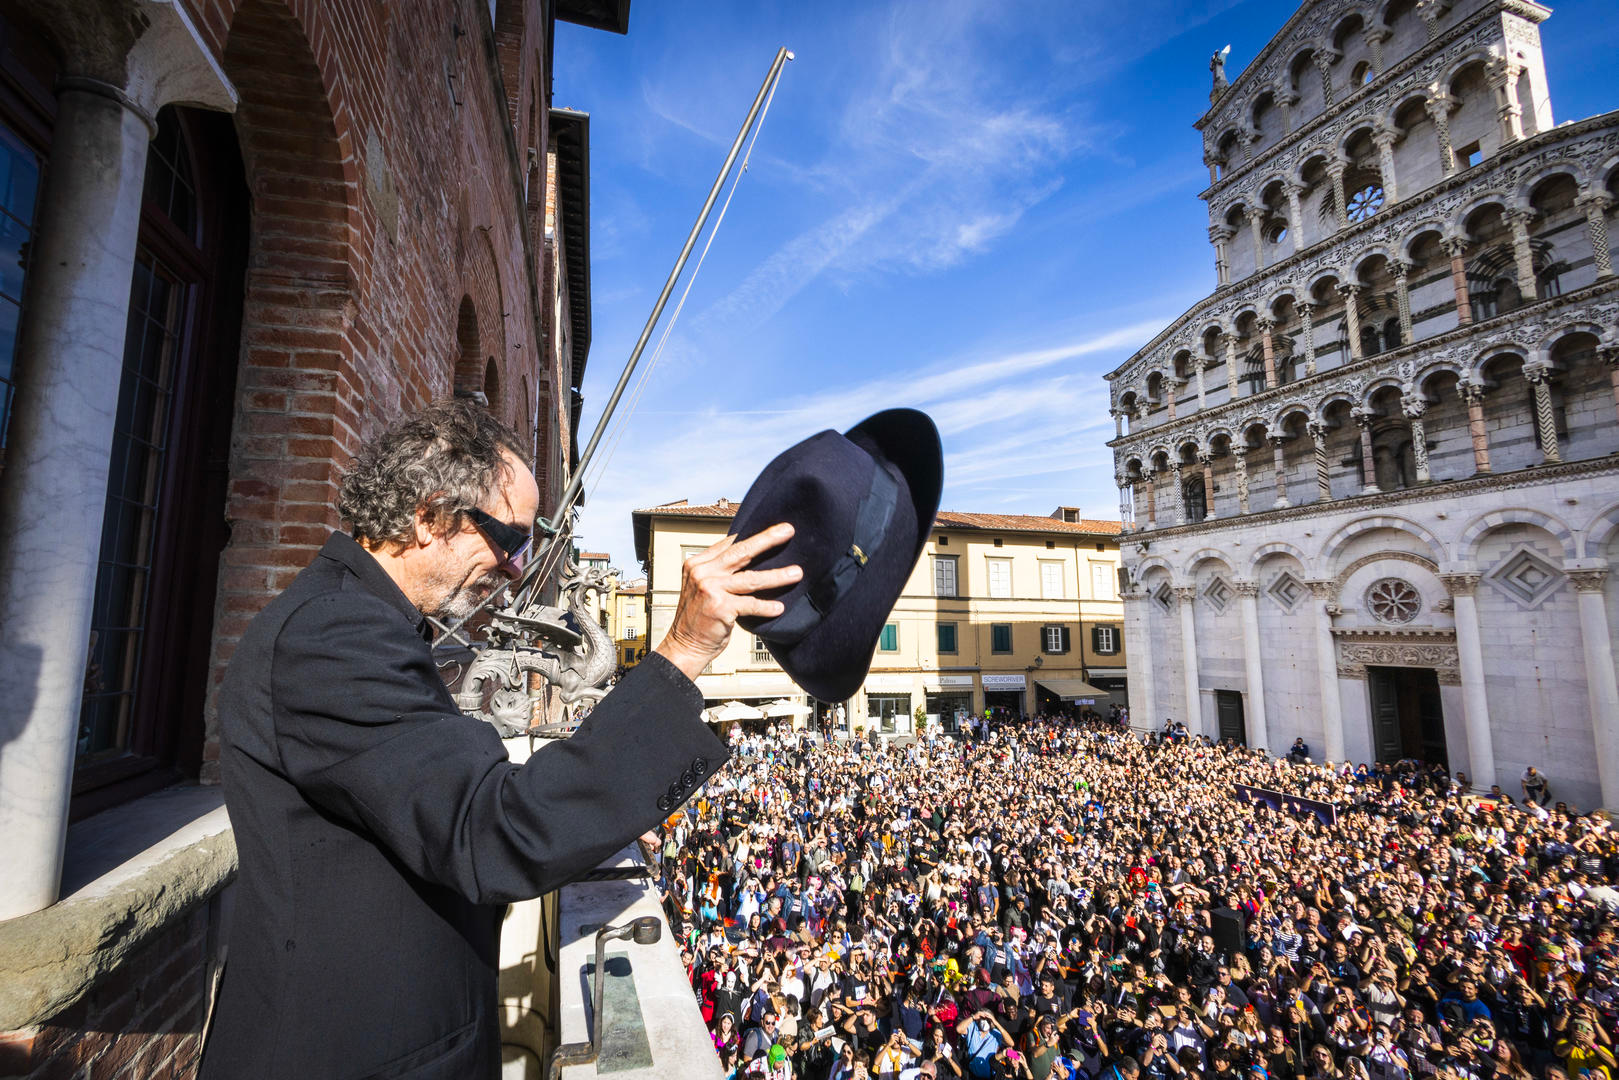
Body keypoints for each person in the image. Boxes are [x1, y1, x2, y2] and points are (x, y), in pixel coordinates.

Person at [201, 401, 802, 1078]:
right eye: (509, 539)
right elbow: (492, 830)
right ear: (429, 518)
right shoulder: (335, 633)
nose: (517, 567)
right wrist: (684, 648)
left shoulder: (361, 621)